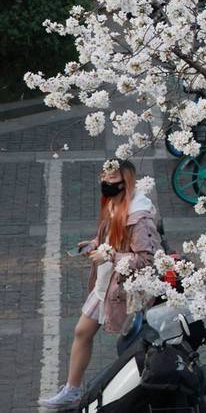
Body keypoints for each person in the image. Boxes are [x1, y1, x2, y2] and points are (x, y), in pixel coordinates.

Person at [39, 160, 161, 410]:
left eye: (111, 179)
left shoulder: (139, 218)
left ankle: (142, 393)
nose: (105, 184)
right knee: (82, 332)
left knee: (132, 348)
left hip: (127, 292)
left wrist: (109, 256)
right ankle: (72, 391)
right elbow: (110, 237)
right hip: (107, 286)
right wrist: (96, 243)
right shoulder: (115, 204)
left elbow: (147, 258)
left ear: (125, 181)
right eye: (103, 178)